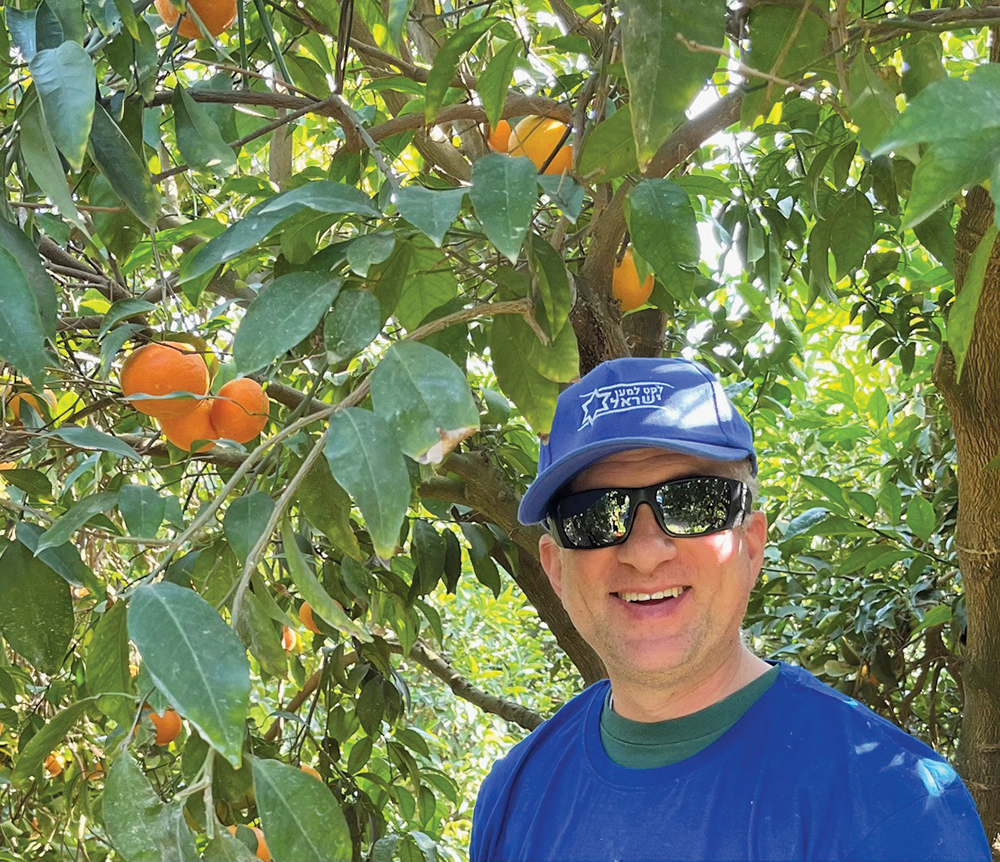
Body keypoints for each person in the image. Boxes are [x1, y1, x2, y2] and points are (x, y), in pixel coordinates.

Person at [470, 357, 991, 862]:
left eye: (694, 503)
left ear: (752, 546)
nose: (646, 551)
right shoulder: (513, 797)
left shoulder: (896, 804)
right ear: (556, 569)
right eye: (594, 516)